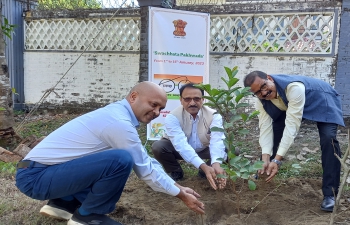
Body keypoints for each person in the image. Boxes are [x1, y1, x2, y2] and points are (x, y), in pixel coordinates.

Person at [15, 81, 205, 225]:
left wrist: (175, 185)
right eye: (153, 104)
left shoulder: (117, 115)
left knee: (116, 158)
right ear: (133, 97)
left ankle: (63, 203)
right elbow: (144, 169)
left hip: (38, 171)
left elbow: (144, 158)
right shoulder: (118, 122)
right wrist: (180, 194)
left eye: (161, 108)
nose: (156, 112)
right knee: (121, 160)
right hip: (35, 178)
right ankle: (89, 216)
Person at [243, 71, 344, 212]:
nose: (264, 93)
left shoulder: (293, 88)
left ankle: (330, 195)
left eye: (264, 86)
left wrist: (278, 159)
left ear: (270, 78)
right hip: (289, 105)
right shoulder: (261, 101)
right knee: (274, 134)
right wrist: (265, 156)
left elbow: (292, 126)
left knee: (328, 139)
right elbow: (265, 128)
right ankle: (263, 170)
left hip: (322, 99)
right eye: (258, 92)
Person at [151, 83, 227, 190]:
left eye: (196, 99)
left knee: (229, 149)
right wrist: (203, 165)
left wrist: (216, 163)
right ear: (181, 100)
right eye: (187, 99)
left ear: (203, 99)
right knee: (159, 146)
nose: (192, 103)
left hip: (205, 148)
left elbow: (217, 141)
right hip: (178, 150)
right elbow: (180, 145)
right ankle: (176, 170)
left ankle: (206, 171)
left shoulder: (214, 115)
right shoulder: (172, 117)